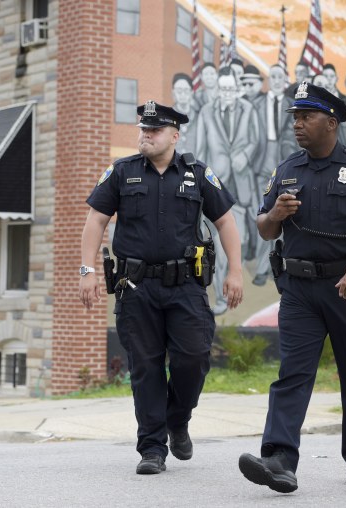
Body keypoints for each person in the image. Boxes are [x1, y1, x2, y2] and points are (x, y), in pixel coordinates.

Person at [238, 83, 346, 492]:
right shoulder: (287, 169)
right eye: (294, 117)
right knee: (292, 373)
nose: (297, 125)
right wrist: (274, 212)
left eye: (305, 117)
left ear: (331, 122)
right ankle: (279, 459)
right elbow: (264, 227)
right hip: (298, 290)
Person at [78, 101, 244, 474]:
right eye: (142, 129)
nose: (145, 136)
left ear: (174, 134)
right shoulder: (121, 172)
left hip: (185, 285)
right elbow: (96, 220)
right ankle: (152, 448)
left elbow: (226, 222)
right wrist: (87, 269)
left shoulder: (197, 174)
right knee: (145, 367)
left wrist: (235, 271)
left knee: (195, 356)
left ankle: (178, 418)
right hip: (135, 285)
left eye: (153, 131)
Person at [197, 68, 260, 313]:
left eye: (230, 89)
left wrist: (245, 155)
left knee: (240, 239)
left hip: (241, 183)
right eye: (222, 89)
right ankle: (223, 298)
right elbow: (200, 149)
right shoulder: (206, 112)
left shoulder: (248, 110)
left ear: (237, 89)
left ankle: (234, 286)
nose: (226, 94)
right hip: (215, 184)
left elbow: (256, 141)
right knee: (220, 244)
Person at [251, 64, 298, 286]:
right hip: (261, 164)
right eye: (273, 76)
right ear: (269, 80)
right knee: (265, 215)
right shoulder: (256, 104)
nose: (277, 80)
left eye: (281, 76)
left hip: (284, 166)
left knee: (284, 217)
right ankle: (262, 269)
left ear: (286, 79)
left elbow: (294, 139)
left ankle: (279, 267)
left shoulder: (292, 106)